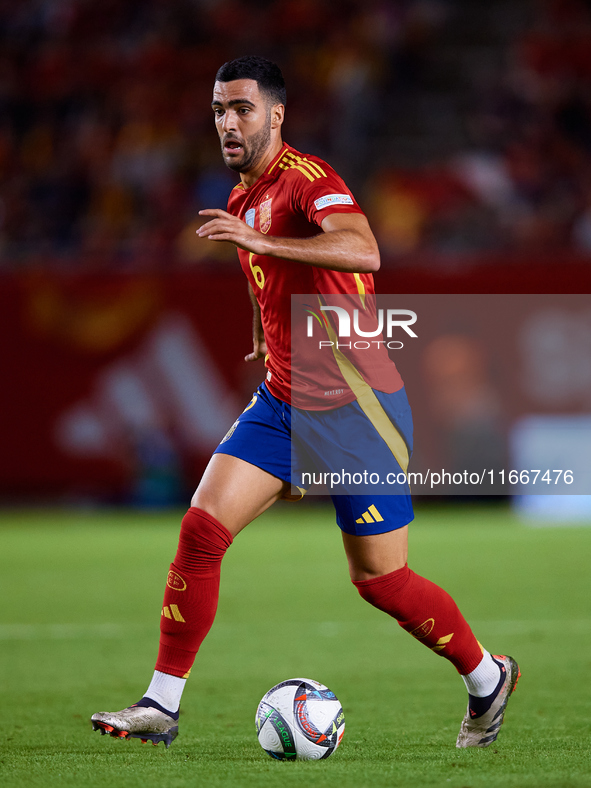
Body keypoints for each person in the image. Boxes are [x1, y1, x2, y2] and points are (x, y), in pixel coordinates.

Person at [91, 56, 519, 750]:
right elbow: (264, 270)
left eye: (242, 109)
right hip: (283, 402)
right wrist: (263, 329)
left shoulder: (308, 181)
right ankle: (160, 705)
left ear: (276, 115)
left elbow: (363, 249)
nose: (228, 123)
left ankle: (484, 678)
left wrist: (259, 239)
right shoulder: (238, 198)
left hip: (355, 409)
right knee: (201, 532)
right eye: (218, 111)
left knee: (381, 581)